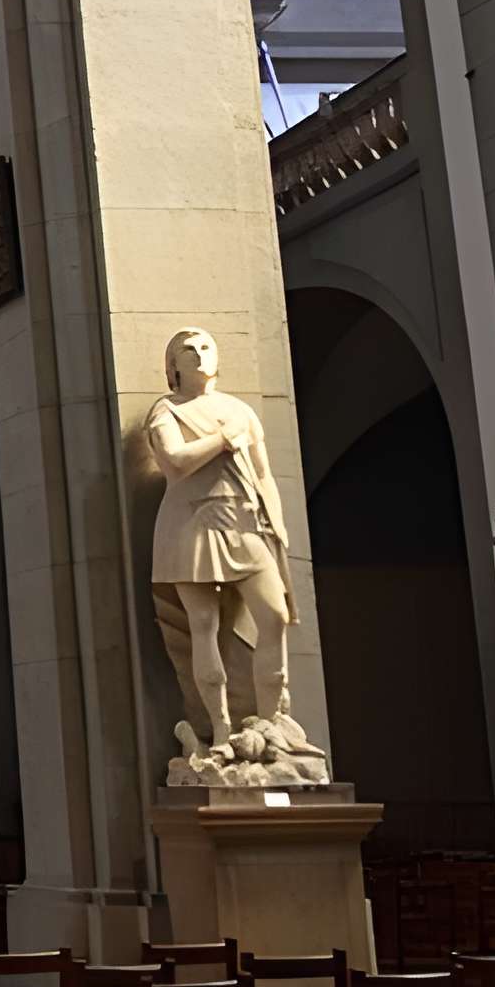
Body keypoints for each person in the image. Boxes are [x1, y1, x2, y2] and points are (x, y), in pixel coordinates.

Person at [140, 326, 306, 770]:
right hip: (192, 522)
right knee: (203, 625)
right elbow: (174, 464)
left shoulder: (239, 410)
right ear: (173, 365)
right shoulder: (166, 410)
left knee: (273, 617)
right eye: (186, 350)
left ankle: (271, 724)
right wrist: (222, 440)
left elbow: (263, 471)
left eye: (205, 347)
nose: (197, 354)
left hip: (245, 520)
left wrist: (276, 523)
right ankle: (221, 728)